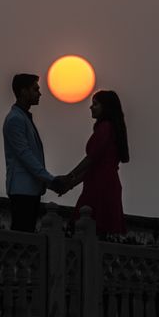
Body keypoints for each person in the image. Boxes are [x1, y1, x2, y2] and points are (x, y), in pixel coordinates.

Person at [59, 90, 129, 235]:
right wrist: (70, 183)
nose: (91, 107)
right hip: (103, 183)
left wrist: (69, 177)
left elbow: (91, 159)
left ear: (106, 107)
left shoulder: (106, 128)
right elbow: (93, 166)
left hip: (100, 186)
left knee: (86, 229)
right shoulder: (109, 128)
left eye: (95, 104)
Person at [2, 73, 66, 232]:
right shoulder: (15, 119)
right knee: (23, 236)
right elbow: (26, 156)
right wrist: (51, 180)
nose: (39, 93)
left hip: (29, 189)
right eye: (35, 89)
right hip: (22, 190)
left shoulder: (22, 118)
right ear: (23, 92)